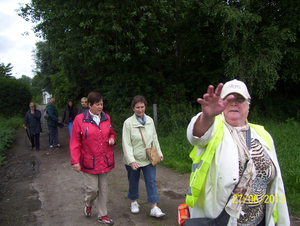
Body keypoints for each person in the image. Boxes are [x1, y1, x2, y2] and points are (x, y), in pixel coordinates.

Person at [185, 79, 290, 225]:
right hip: (222, 220)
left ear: (248, 105)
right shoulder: (214, 127)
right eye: (228, 99)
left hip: (260, 221)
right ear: (221, 104)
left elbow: (277, 186)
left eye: (239, 99)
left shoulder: (263, 135)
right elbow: (196, 137)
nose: (234, 103)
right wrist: (207, 117)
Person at [70, 92, 116, 225]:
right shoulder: (79, 119)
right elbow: (74, 142)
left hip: (104, 160)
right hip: (89, 161)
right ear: (89, 105)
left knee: (104, 189)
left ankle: (103, 215)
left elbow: (111, 132)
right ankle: (88, 204)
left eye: (101, 104)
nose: (100, 107)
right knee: (93, 190)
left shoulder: (106, 117)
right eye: (97, 104)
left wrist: (112, 137)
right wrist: (75, 161)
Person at [122, 95, 165, 218]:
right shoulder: (128, 123)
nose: (140, 110)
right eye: (137, 107)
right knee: (133, 181)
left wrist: (159, 153)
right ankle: (134, 202)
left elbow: (154, 138)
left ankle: (154, 208)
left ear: (145, 106)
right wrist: (131, 161)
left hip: (148, 158)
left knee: (151, 181)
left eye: (142, 107)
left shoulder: (150, 121)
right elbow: (126, 143)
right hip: (133, 159)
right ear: (133, 108)